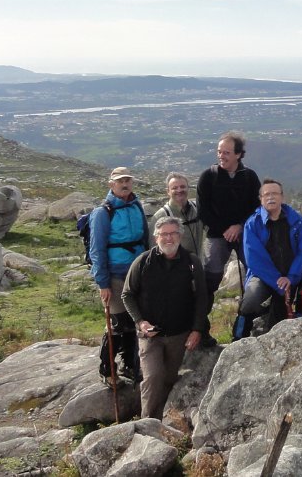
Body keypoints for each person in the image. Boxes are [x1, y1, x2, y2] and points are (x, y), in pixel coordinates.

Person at [120, 216, 209, 418]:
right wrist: (140, 322)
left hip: (179, 333)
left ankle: (165, 421)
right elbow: (127, 294)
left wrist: (197, 330)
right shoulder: (143, 262)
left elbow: (202, 298)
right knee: (153, 377)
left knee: (169, 378)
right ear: (155, 237)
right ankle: (147, 424)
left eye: (173, 233)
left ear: (180, 236)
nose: (169, 238)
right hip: (150, 334)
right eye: (164, 234)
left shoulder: (192, 262)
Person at [89, 166, 150, 382]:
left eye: (127, 180)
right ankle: (108, 369)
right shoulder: (102, 213)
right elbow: (96, 250)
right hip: (114, 276)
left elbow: (146, 239)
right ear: (111, 184)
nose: (125, 184)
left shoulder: (136, 206)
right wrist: (102, 283)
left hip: (137, 273)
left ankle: (130, 366)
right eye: (120, 181)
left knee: (135, 321)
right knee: (117, 324)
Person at [240, 179, 302, 336]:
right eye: (266, 194)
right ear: (261, 199)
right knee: (250, 301)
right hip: (264, 277)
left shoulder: (296, 220)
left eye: (274, 193)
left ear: (282, 197)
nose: (271, 197)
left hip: (292, 275)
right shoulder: (253, 224)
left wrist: (291, 277)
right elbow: (254, 258)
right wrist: (277, 280)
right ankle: (239, 335)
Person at [197, 131, 261, 295]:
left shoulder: (249, 177)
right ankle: (202, 314)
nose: (221, 156)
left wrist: (239, 226)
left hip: (245, 234)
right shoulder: (208, 177)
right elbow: (203, 211)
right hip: (217, 235)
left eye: (226, 153)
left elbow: (257, 208)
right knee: (210, 279)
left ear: (238, 154)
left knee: (253, 274)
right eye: (219, 152)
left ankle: (251, 313)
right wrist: (226, 229)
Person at [152, 172, 205, 264]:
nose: (179, 190)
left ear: (188, 188)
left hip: (197, 265)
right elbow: (153, 246)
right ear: (168, 191)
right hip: (173, 269)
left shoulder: (197, 209)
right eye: (174, 188)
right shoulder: (161, 215)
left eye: (182, 187)